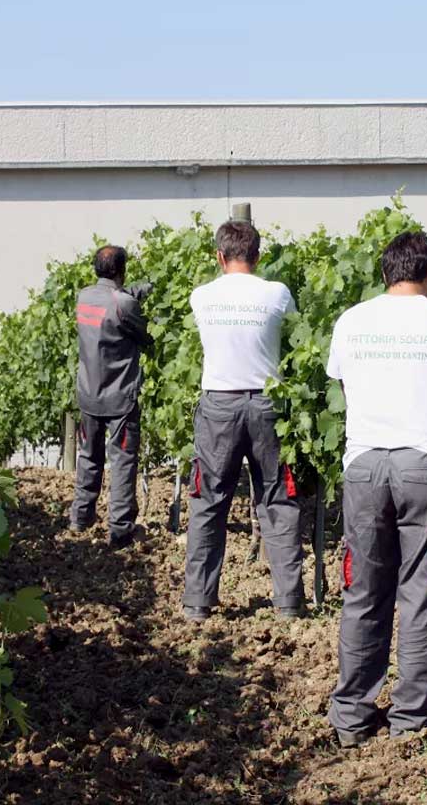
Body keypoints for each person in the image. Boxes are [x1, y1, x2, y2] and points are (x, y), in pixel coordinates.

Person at [325, 230, 427, 746]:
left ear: (385, 273)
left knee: (362, 593)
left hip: (364, 466)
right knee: (423, 592)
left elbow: (344, 384)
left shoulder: (351, 321)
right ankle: (410, 720)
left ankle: (351, 716)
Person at [182, 219, 304, 622]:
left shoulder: (202, 296)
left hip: (218, 406)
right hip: (267, 407)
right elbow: (296, 335)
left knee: (209, 502)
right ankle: (288, 602)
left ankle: (198, 602)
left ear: (219, 256)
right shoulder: (277, 293)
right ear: (258, 255)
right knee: (277, 500)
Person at [69, 244, 153, 549]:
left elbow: (112, 301)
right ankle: (120, 531)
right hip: (120, 399)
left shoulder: (84, 297)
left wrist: (131, 292)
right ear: (122, 270)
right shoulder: (125, 305)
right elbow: (145, 335)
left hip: (89, 394)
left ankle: (80, 517)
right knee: (122, 463)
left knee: (89, 457)